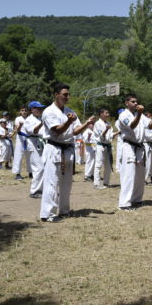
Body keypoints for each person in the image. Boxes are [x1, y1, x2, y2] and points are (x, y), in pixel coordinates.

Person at [40, 83, 96, 222]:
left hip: (68, 149)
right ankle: (48, 214)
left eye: (68, 94)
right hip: (54, 148)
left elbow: (76, 131)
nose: (67, 97)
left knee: (67, 183)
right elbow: (57, 130)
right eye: (65, 94)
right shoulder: (49, 111)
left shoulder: (70, 111)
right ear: (56, 94)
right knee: (52, 183)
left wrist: (86, 123)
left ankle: (64, 210)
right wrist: (68, 121)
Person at [116, 95, 152, 210]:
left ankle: (137, 199)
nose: (135, 103)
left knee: (140, 176)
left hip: (139, 147)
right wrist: (139, 113)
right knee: (129, 175)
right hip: (129, 146)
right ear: (126, 103)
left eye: (136, 102)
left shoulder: (139, 115)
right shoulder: (123, 115)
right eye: (133, 101)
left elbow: (150, 125)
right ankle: (124, 203)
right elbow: (132, 125)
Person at [23, 101, 47, 199]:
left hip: (41, 142)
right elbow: (34, 131)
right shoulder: (29, 120)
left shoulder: (40, 118)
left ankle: (42, 189)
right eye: (38, 108)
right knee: (38, 167)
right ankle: (34, 191)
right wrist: (42, 123)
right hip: (33, 143)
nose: (40, 110)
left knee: (44, 167)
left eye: (41, 108)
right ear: (32, 109)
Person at [93, 108, 117, 190]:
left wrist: (119, 132)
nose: (108, 114)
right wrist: (106, 129)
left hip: (108, 145)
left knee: (108, 165)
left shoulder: (109, 123)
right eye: (106, 113)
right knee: (98, 164)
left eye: (108, 113)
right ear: (101, 114)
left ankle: (106, 183)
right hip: (100, 145)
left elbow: (111, 136)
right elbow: (101, 136)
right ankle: (96, 184)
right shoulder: (97, 123)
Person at [11, 106, 31, 180]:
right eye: (22, 110)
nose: (24, 112)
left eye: (25, 110)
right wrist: (20, 125)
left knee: (30, 156)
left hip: (29, 139)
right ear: (20, 112)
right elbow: (17, 130)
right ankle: (17, 173)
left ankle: (31, 172)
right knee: (18, 156)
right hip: (20, 139)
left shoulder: (30, 118)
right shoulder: (18, 119)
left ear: (28, 112)